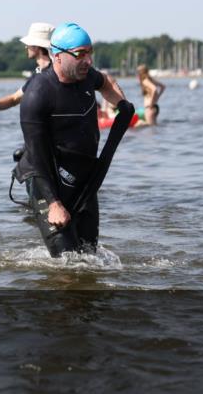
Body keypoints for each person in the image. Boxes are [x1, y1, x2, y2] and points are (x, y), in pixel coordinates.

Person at [15, 22, 130, 256]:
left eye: (90, 53)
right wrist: (54, 204)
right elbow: (37, 157)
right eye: (80, 54)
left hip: (83, 180)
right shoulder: (38, 94)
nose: (88, 60)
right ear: (57, 56)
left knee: (88, 257)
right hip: (47, 181)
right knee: (66, 263)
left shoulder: (86, 76)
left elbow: (106, 82)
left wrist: (121, 104)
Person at [0, 22, 53, 120]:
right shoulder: (38, 73)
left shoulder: (55, 72)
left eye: (28, 44)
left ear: (36, 46)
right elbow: (14, 99)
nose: (26, 47)